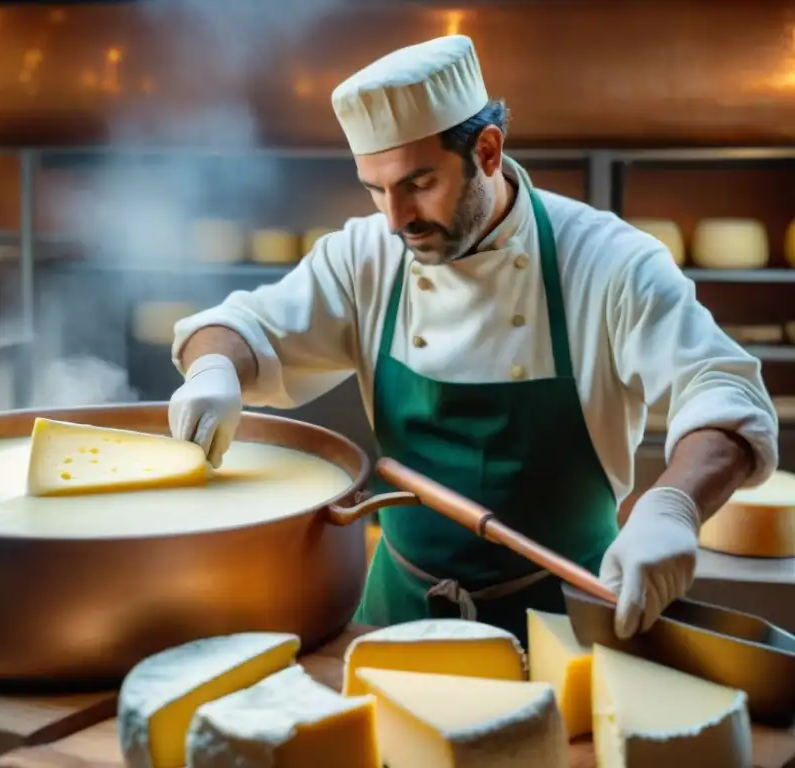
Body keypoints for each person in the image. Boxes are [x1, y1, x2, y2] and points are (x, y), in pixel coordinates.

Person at [166, 35, 778, 643]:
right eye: (375, 189)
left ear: (487, 151)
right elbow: (240, 326)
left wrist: (673, 506)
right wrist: (214, 372)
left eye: (418, 183)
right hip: (397, 613)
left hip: (569, 616)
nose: (396, 218)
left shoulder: (609, 262)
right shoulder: (365, 256)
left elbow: (723, 392)